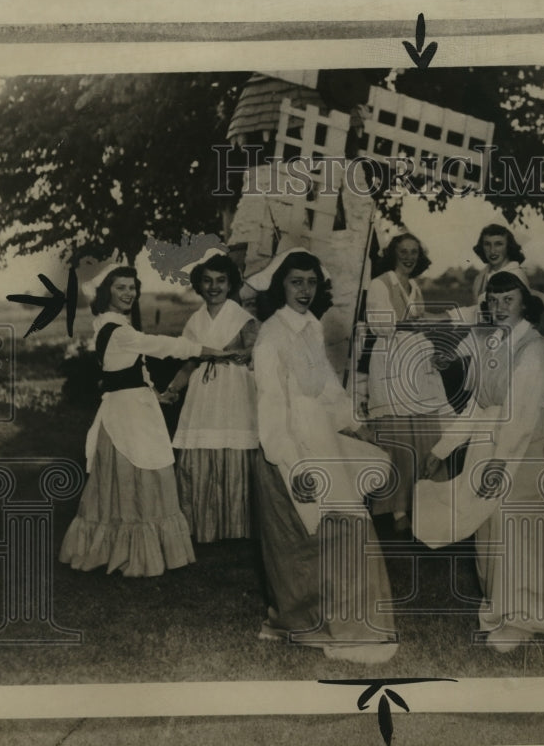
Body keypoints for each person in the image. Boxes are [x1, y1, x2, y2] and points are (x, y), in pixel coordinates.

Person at [414, 269, 544, 653]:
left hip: (527, 441)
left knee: (518, 524)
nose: (500, 306)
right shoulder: (490, 342)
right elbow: (477, 405)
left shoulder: (533, 348)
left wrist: (500, 463)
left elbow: (520, 414)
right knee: (489, 524)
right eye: (494, 299)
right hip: (493, 440)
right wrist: (441, 450)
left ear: (525, 303)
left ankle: (522, 619)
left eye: (509, 299)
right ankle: (513, 603)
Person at [250, 249, 399, 664]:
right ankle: (307, 622)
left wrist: (355, 424)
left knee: (342, 530)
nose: (304, 290)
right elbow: (271, 410)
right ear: (281, 285)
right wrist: (292, 464)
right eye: (296, 282)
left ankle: (344, 623)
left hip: (323, 441)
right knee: (300, 541)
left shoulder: (312, 328)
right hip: (289, 447)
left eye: (311, 282)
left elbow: (329, 390)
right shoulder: (270, 337)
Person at [59, 266, 231, 577]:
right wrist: (209, 351)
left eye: (132, 287)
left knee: (127, 481)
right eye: (121, 288)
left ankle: (116, 547)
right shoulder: (120, 330)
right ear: (107, 292)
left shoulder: (107, 325)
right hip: (127, 416)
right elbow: (164, 346)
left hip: (128, 407)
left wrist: (156, 393)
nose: (129, 293)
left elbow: (130, 369)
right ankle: (133, 553)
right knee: (139, 476)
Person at [164, 251, 259, 543]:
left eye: (220, 280)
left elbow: (257, 353)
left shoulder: (243, 318)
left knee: (233, 448)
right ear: (199, 285)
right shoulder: (195, 321)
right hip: (203, 395)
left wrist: (240, 354)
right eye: (207, 281)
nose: (214, 286)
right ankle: (199, 524)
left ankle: (237, 527)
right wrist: (172, 389)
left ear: (231, 285)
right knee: (201, 450)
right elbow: (189, 363)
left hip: (234, 392)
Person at [364, 233, 447, 529]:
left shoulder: (415, 288)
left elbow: (419, 325)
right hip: (391, 361)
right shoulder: (380, 284)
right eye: (403, 252)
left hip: (414, 361)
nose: (409, 257)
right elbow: (380, 325)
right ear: (393, 254)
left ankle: (423, 503)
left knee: (423, 434)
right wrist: (422, 322)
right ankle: (397, 510)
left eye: (414, 252)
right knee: (398, 438)